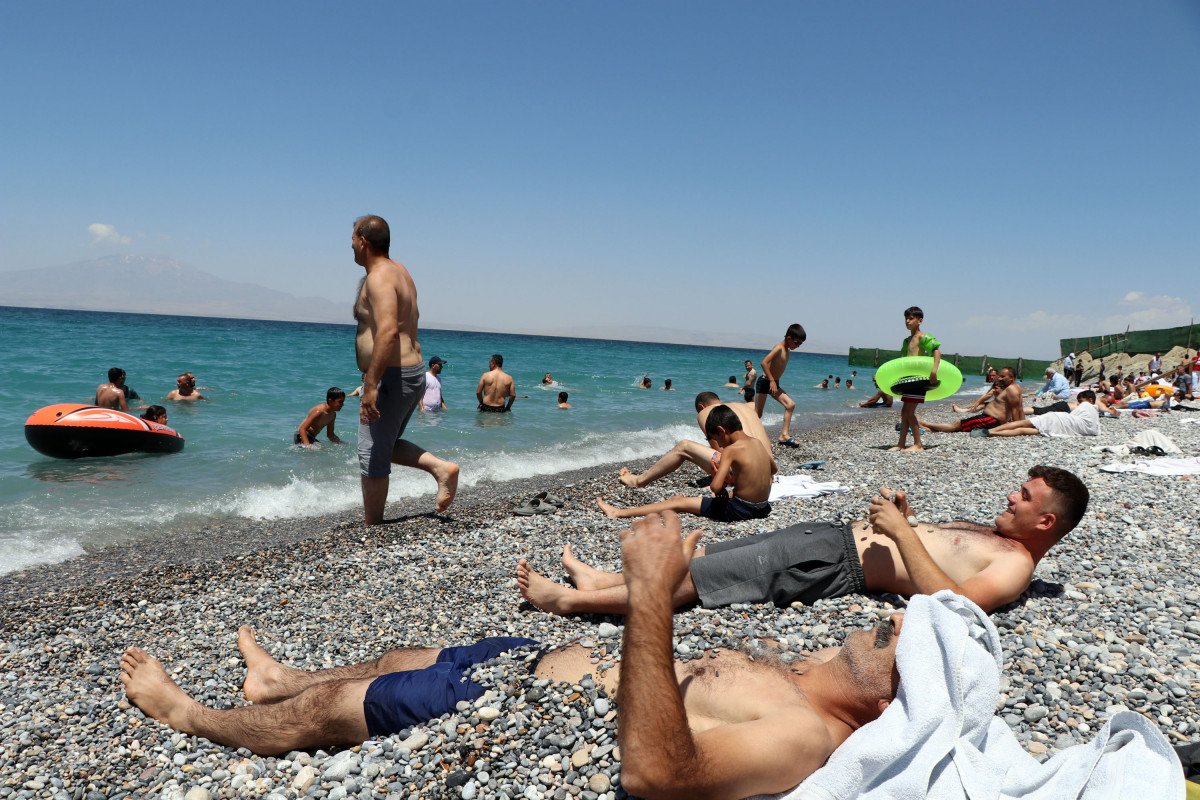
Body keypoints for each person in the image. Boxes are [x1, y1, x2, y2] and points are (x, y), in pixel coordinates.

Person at [120, 511, 904, 799]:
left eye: (907, 644)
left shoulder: (807, 736)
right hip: (537, 663)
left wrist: (653, 595)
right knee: (399, 656)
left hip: (531, 712)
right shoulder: (809, 679)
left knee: (334, 714)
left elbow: (657, 772)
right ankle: (277, 678)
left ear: (890, 699)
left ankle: (190, 714)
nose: (894, 624)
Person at [518, 465, 1087, 617]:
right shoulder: (993, 534)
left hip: (833, 564)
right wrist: (907, 524)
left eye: (1025, 498)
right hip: (831, 537)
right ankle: (605, 581)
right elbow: (936, 557)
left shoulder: (1014, 566)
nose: (1012, 498)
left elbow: (953, 604)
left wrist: (896, 534)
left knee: (699, 580)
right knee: (714, 555)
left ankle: (571, 601)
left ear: (1046, 524)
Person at [351, 214, 459, 522]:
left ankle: (373, 525)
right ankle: (440, 468)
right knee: (385, 444)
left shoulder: (380, 277)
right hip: (410, 372)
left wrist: (371, 386)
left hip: (392, 376)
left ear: (363, 241)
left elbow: (387, 333)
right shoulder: (400, 271)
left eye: (352, 242)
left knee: (371, 454)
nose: (351, 249)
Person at [598, 405, 773, 523]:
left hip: (740, 510)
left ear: (721, 430)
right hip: (763, 508)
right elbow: (773, 468)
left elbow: (715, 487)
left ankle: (619, 512)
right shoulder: (757, 442)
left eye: (717, 440)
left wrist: (718, 481)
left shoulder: (731, 450)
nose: (719, 445)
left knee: (677, 502)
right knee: (683, 501)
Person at [617, 391, 777, 489]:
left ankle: (638, 481)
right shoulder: (746, 407)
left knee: (684, 447)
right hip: (766, 470)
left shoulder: (707, 412)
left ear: (701, 406)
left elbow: (721, 452)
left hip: (746, 475)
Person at [918, 366, 1023, 435]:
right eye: (999, 376)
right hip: (989, 419)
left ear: (1011, 378)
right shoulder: (1012, 387)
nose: (999, 378)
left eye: (1003, 376)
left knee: (957, 424)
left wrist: (1018, 428)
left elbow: (1016, 409)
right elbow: (1019, 408)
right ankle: (926, 429)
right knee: (958, 425)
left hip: (991, 420)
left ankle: (924, 423)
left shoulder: (1011, 389)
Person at [893, 306, 941, 452]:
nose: (907, 321)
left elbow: (937, 352)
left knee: (909, 412)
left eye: (911, 318)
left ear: (920, 321)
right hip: (909, 379)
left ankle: (918, 444)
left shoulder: (923, 337)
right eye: (906, 318)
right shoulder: (906, 341)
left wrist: (934, 371)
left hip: (919, 380)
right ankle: (901, 444)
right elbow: (902, 360)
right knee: (904, 412)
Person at [753, 323, 806, 445]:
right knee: (758, 414)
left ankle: (784, 435)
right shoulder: (779, 348)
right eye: (797, 343)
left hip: (774, 383)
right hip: (765, 382)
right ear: (789, 338)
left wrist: (774, 382)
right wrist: (771, 380)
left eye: (800, 344)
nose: (798, 346)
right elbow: (764, 363)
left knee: (790, 405)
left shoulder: (787, 350)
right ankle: (748, 435)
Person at [985, 391, 1101, 438]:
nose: (1078, 403)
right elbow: (1092, 429)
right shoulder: (1095, 413)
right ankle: (993, 433)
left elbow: (1073, 416)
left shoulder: (1086, 405)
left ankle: (992, 430)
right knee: (1025, 431)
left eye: (1080, 401)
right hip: (1065, 429)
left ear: (1090, 400)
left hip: (1058, 418)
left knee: (1022, 423)